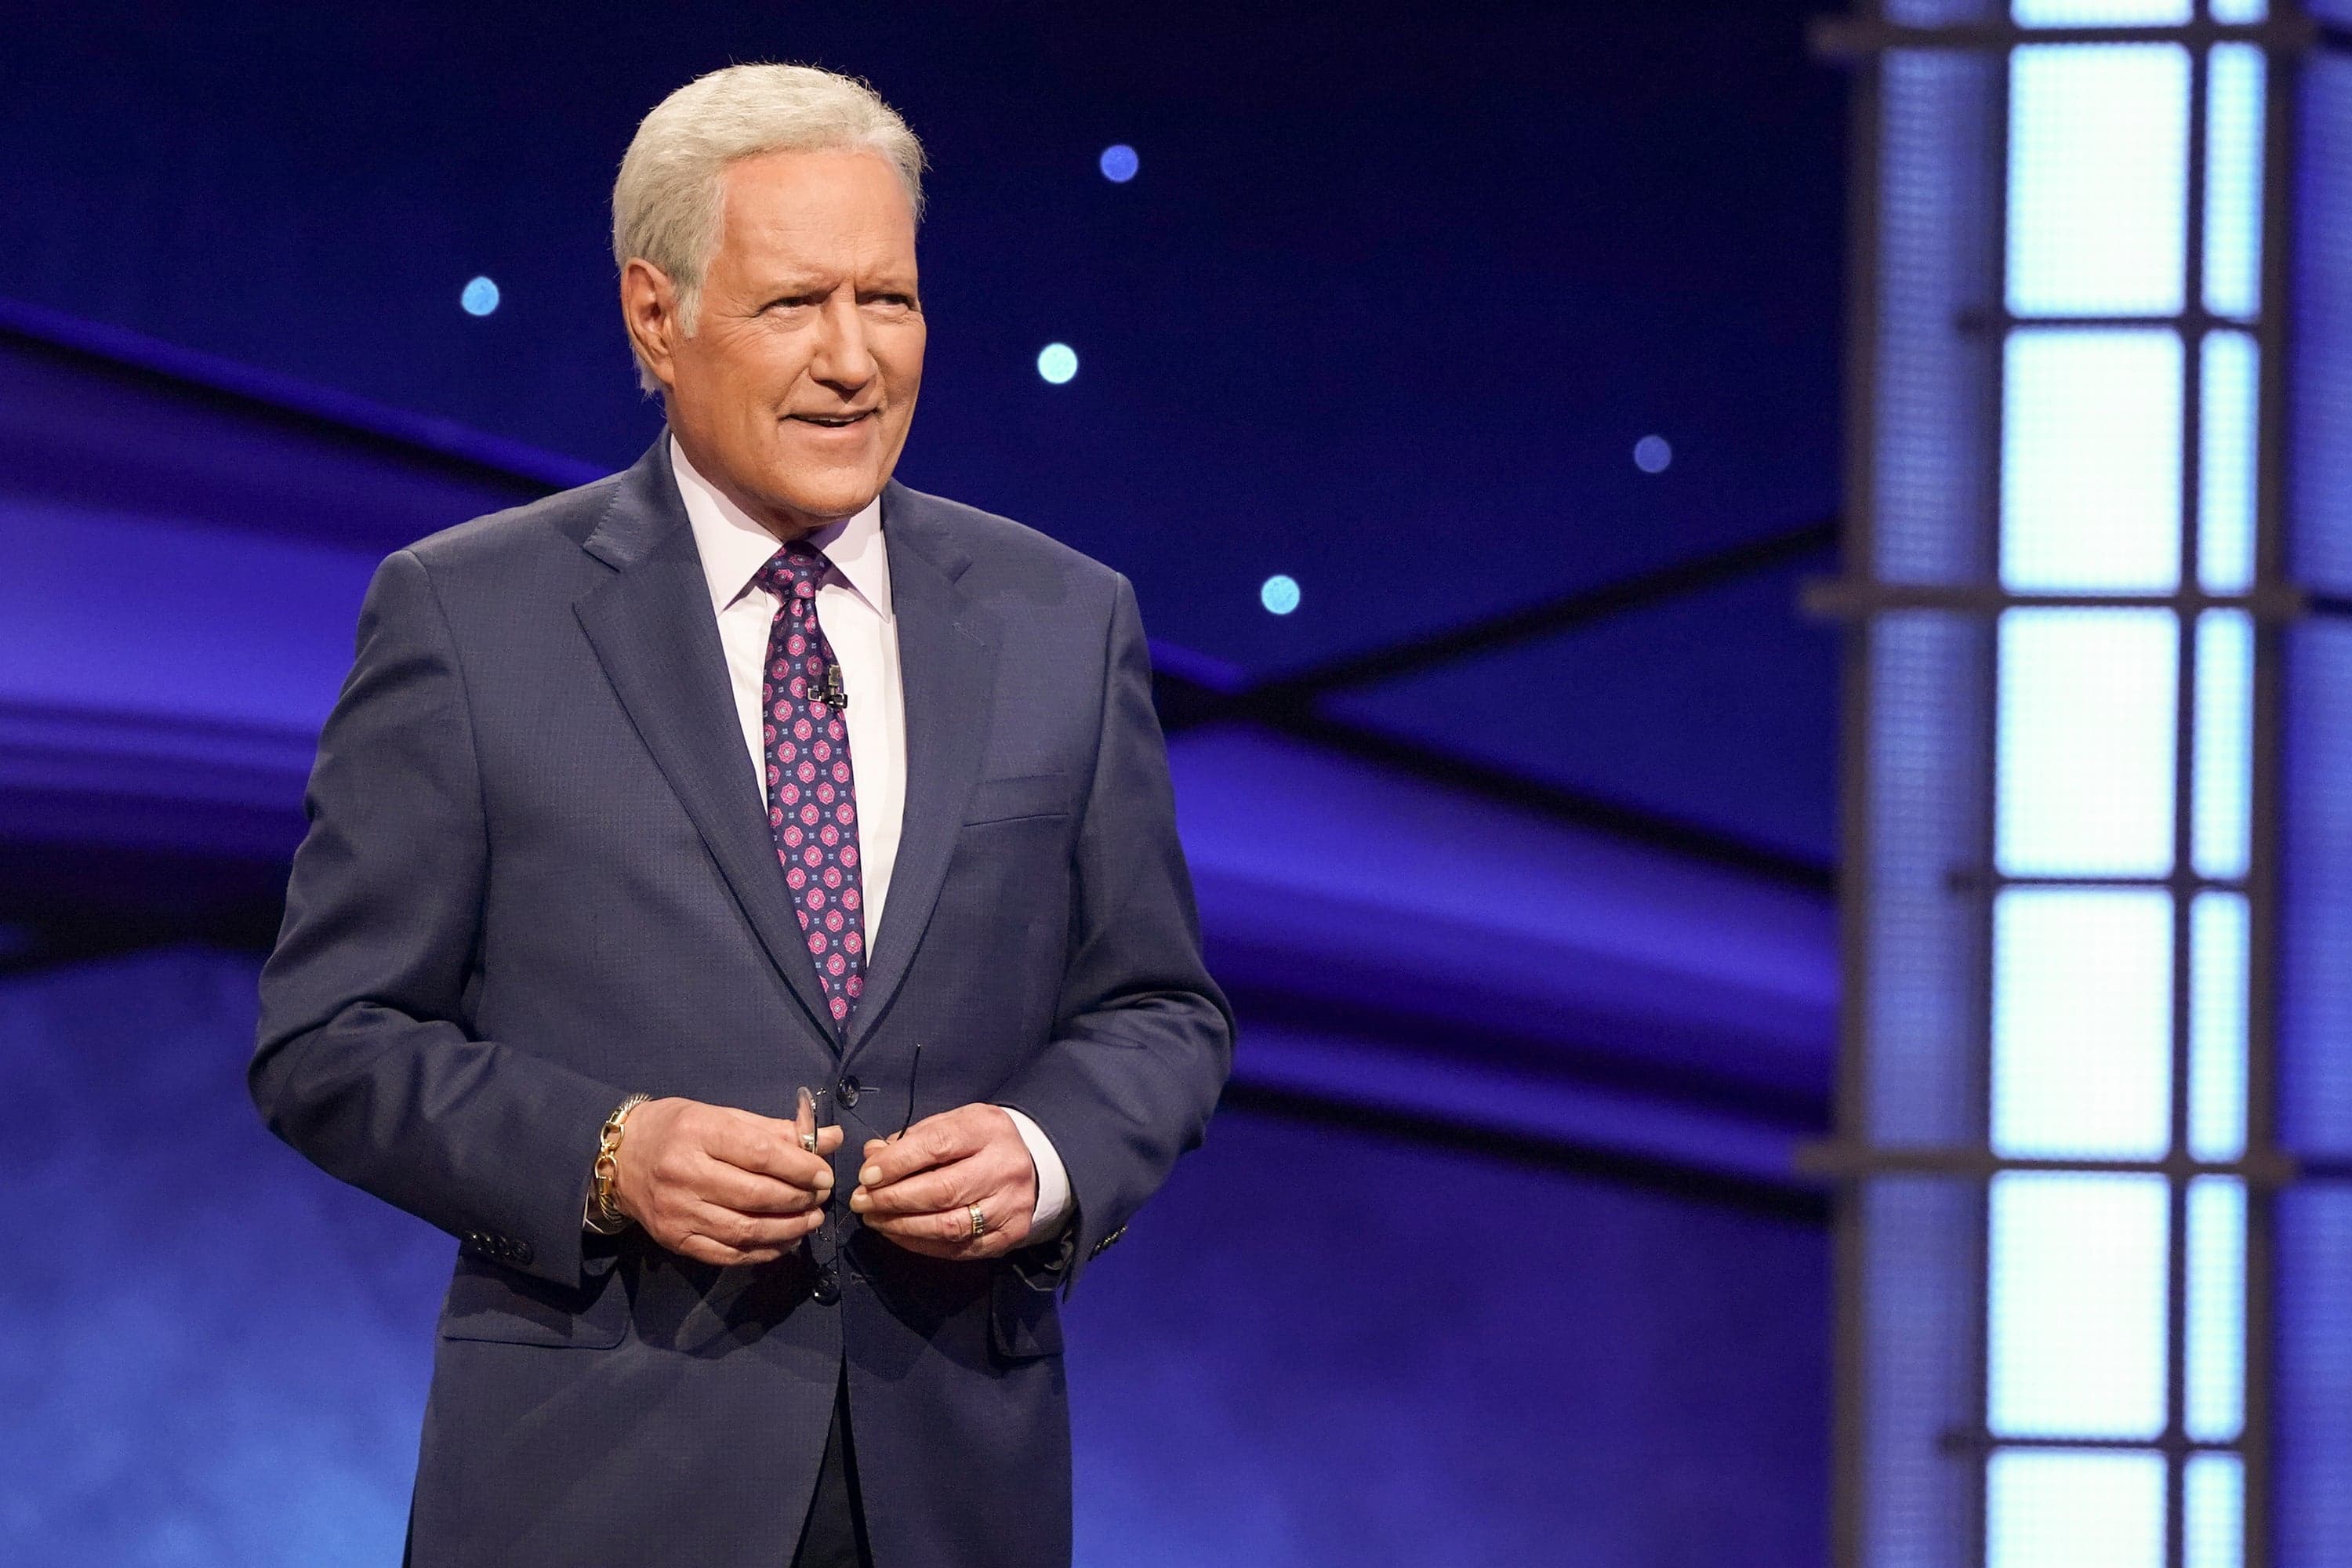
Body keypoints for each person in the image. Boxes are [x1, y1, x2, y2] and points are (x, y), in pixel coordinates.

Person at [248, 62, 1232, 1568]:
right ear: (657, 317)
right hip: (594, 1490)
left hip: (952, 1486)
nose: (853, 360)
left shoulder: (1065, 617)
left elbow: (1158, 1009)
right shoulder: (467, 616)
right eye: (793, 305)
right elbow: (329, 1038)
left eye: (888, 300)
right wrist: (608, 1152)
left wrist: (1044, 1153)